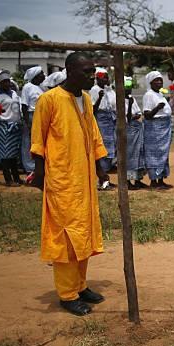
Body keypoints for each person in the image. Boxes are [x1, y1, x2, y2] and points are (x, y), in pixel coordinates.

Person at [31, 52, 109, 316]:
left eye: (93, 71)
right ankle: (66, 294)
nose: (91, 76)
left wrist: (100, 166)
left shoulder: (85, 99)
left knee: (83, 232)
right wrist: (40, 176)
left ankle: (80, 285)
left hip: (84, 179)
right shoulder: (49, 99)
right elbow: (38, 141)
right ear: (69, 71)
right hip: (62, 180)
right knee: (65, 236)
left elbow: (93, 134)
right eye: (86, 71)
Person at [0, 70, 23, 186]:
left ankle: (17, 178)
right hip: (3, 126)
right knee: (5, 154)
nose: (7, 83)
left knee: (14, 154)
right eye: (4, 82)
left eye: (8, 81)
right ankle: (8, 180)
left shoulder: (14, 93)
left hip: (15, 126)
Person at [142, 71, 173, 190]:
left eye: (160, 79)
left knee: (163, 153)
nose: (159, 82)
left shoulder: (159, 94)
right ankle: (154, 181)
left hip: (164, 128)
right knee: (154, 153)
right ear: (150, 82)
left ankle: (161, 179)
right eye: (156, 80)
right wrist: (157, 108)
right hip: (154, 129)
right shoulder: (148, 95)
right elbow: (147, 115)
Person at [90, 67, 117, 178]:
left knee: (111, 145)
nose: (106, 80)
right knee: (104, 146)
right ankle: (103, 176)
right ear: (98, 79)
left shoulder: (106, 89)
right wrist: (99, 98)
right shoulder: (95, 90)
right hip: (101, 119)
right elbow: (93, 109)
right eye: (104, 78)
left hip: (109, 117)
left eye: (107, 77)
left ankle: (106, 174)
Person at [20, 66, 45, 176]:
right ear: (36, 76)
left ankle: (37, 167)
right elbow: (24, 105)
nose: (44, 75)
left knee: (38, 142)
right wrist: (28, 122)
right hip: (31, 115)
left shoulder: (40, 88)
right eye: (41, 73)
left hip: (40, 116)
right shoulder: (27, 87)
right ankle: (29, 167)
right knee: (28, 142)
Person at [123, 77, 147, 190]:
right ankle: (128, 181)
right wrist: (131, 108)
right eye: (126, 88)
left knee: (139, 154)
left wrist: (134, 114)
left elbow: (138, 113)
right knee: (129, 155)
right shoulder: (120, 100)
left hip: (136, 128)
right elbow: (127, 117)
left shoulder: (131, 98)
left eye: (129, 88)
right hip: (128, 130)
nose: (129, 90)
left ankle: (138, 180)